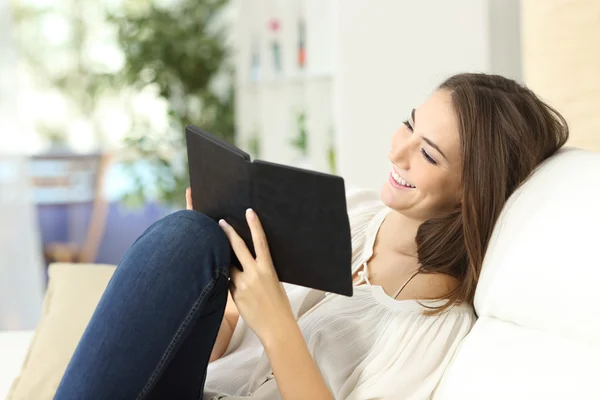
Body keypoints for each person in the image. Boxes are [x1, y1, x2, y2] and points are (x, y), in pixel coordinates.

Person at [54, 73, 569, 400]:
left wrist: (277, 322)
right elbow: (211, 358)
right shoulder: (349, 210)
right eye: (408, 126)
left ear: (470, 193)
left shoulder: (435, 328)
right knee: (188, 236)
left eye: (429, 154)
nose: (398, 153)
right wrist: (220, 294)